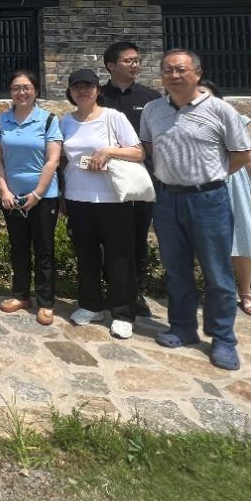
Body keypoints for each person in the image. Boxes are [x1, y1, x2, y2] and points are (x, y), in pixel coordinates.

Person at [140, 49, 251, 371]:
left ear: (197, 73)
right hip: (167, 199)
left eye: (180, 69)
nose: (174, 75)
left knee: (217, 273)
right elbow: (148, 148)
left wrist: (211, 176)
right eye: (168, 70)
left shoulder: (220, 109)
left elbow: (241, 154)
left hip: (208, 200)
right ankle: (182, 327)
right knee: (176, 270)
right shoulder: (152, 110)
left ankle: (223, 338)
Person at [58, 69, 145, 339]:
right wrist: (62, 195)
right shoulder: (65, 122)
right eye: (77, 87)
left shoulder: (113, 117)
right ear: (70, 92)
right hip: (77, 197)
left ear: (98, 90)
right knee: (86, 254)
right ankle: (91, 304)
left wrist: (108, 151)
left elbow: (138, 152)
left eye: (88, 86)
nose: (83, 91)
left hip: (112, 197)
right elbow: (61, 159)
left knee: (119, 255)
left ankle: (122, 312)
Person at [0, 71, 63, 326]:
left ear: (36, 91)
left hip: (44, 197)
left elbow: (53, 160)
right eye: (16, 88)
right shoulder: (2, 120)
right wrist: (4, 190)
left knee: (44, 250)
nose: (21, 92)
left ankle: (45, 302)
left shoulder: (48, 120)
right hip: (12, 198)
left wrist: (37, 193)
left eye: (26, 87)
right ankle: (21, 295)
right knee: (18, 248)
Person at [201, 80, 251, 317]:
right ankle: (216, 291)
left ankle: (246, 292)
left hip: (234, 184)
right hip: (202, 185)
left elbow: (248, 153)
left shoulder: (232, 120)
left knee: (240, 237)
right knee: (209, 241)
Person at [99, 41, 162, 317]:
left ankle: (136, 292)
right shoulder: (98, 97)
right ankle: (111, 289)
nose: (134, 65)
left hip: (141, 179)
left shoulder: (151, 98)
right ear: (111, 65)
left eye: (137, 60)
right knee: (106, 237)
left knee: (138, 236)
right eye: (128, 60)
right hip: (104, 179)